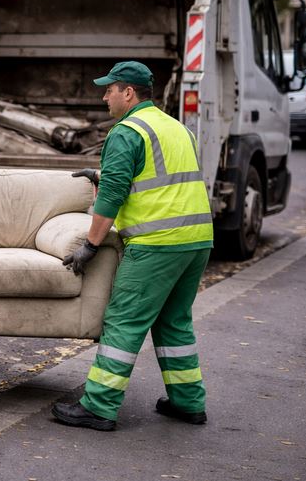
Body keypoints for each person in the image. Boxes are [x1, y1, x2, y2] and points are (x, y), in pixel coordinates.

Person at [52, 61, 213, 431]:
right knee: (174, 322)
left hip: (156, 244)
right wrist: (102, 173)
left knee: (123, 321)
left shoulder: (127, 131)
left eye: (110, 89)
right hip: (197, 240)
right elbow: (161, 179)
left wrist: (90, 245)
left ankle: (99, 406)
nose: (104, 96)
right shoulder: (177, 128)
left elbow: (112, 196)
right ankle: (188, 402)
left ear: (128, 93)